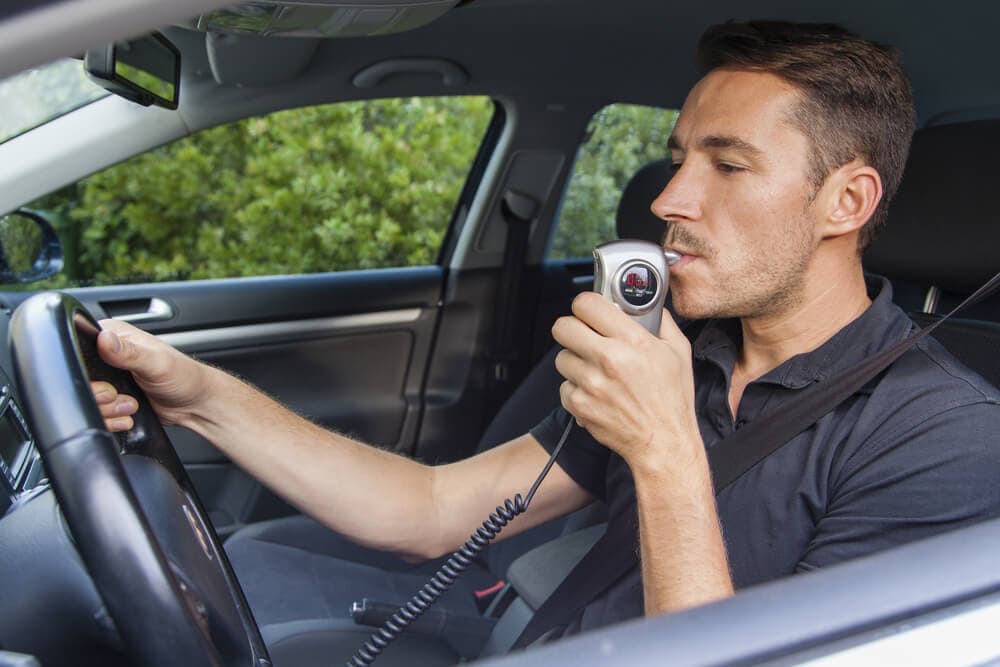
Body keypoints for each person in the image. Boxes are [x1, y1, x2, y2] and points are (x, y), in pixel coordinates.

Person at [92, 20, 1000, 647]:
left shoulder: (943, 435)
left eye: (727, 164)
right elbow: (432, 512)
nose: (670, 199)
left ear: (847, 201)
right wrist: (203, 398)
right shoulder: (682, 357)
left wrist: (666, 453)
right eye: (681, 157)